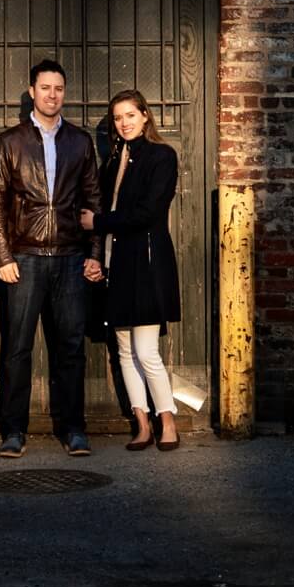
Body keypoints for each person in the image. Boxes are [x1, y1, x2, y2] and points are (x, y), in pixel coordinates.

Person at [0, 57, 104, 457]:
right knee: (17, 347)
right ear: (32, 91)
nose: (53, 95)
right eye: (45, 88)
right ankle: (13, 430)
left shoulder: (80, 141)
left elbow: (93, 201)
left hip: (71, 256)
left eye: (59, 88)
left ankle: (73, 429)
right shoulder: (11, 141)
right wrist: (3, 255)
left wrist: (95, 254)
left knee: (69, 346)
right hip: (26, 256)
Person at [82, 87, 181, 452]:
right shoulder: (112, 161)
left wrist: (99, 222)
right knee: (123, 350)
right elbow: (103, 212)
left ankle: (167, 418)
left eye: (129, 115)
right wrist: (97, 256)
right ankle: (142, 424)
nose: (123, 123)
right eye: (117, 118)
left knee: (146, 351)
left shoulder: (161, 156)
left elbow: (148, 214)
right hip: (116, 261)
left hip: (147, 263)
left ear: (145, 116)